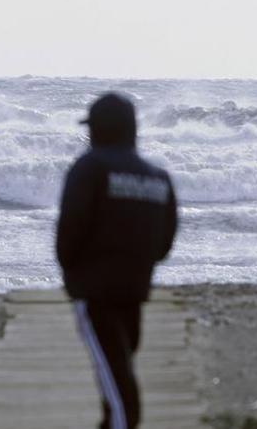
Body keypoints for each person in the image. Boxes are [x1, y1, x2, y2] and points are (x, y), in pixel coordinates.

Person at [56, 92, 178, 429]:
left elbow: (70, 229)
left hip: (96, 293)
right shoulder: (157, 177)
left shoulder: (90, 167)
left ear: (97, 130)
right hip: (136, 291)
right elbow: (164, 244)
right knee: (118, 373)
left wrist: (72, 273)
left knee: (118, 388)